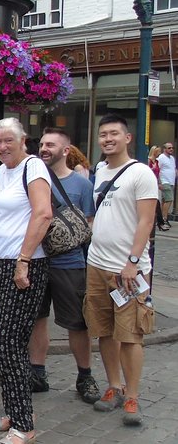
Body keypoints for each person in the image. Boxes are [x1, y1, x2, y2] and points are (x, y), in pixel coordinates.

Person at [0, 117, 52, 444]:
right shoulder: (3, 171)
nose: (2, 147)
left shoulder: (32, 167)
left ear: (23, 141)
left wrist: (23, 261)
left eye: (8, 141)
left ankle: (24, 425)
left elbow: (43, 213)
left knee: (6, 342)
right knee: (8, 344)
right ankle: (17, 411)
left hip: (24, 266)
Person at [84, 114, 157, 426]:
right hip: (97, 264)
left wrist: (133, 262)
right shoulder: (100, 170)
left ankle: (133, 395)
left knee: (130, 335)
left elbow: (146, 221)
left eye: (114, 133)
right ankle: (114, 385)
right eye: (103, 134)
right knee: (103, 330)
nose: (107, 139)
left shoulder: (141, 173)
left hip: (127, 270)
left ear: (128, 138)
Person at [27, 128, 100, 404]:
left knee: (77, 323)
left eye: (51, 145)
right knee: (37, 318)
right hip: (36, 260)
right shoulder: (32, 180)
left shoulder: (82, 185)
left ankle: (85, 375)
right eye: (42, 144)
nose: (44, 149)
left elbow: (88, 224)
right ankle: (37, 372)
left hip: (70, 263)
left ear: (66, 151)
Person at [157, 142, 176, 230]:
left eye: (172, 148)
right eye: (169, 148)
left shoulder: (172, 158)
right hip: (165, 181)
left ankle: (161, 219)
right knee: (169, 199)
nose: (171, 149)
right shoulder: (161, 158)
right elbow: (158, 169)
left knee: (165, 201)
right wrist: (159, 182)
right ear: (164, 149)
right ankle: (164, 219)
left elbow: (173, 168)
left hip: (171, 181)